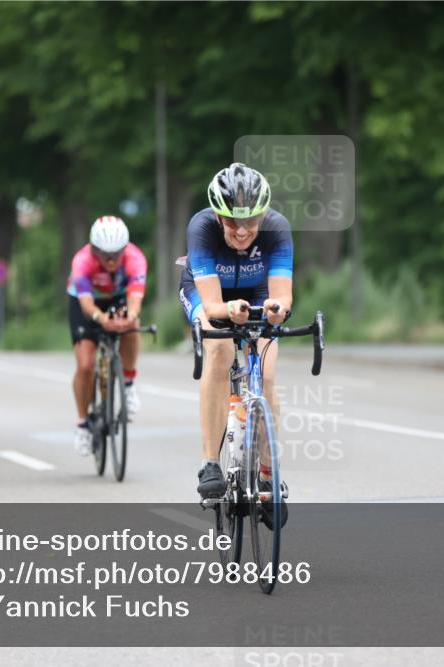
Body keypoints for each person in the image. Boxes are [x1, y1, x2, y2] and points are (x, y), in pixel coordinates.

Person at [178, 163, 292, 527]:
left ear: (263, 214)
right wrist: (227, 310)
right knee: (221, 351)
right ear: (217, 215)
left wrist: (275, 312)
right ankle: (210, 461)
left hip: (256, 292)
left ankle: (268, 476)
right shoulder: (202, 228)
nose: (242, 231)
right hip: (210, 293)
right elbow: (212, 307)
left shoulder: (276, 229)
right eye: (231, 222)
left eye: (251, 221)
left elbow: (281, 298)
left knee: (267, 372)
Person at [67, 215, 147, 456]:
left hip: (119, 296)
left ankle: (129, 383)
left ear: (125, 249)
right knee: (85, 366)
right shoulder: (82, 261)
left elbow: (135, 299)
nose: (111, 260)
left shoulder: (135, 258)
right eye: (105, 255)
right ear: (94, 250)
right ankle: (83, 424)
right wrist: (102, 320)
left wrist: (130, 316)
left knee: (132, 325)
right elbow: (87, 305)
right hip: (87, 302)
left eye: (116, 254)